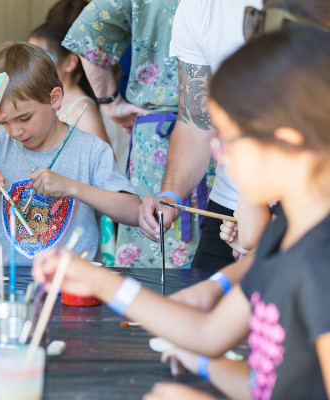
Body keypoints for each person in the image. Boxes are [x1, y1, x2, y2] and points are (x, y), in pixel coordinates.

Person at [33, 25, 330, 399]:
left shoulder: (321, 263)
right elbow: (211, 335)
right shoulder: (282, 237)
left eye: (229, 139)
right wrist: (97, 281)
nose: (218, 154)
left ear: (286, 145)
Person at [0, 42, 140, 267]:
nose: (15, 131)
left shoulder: (91, 150)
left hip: (73, 283)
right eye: (5, 122)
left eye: (24, 118)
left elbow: (134, 212)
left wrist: (72, 188)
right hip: (5, 283)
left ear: (54, 98)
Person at [63, 0, 215, 268]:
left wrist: (109, 101)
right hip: (220, 132)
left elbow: (87, 30)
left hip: (154, 139)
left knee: (153, 257)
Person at [138, 0, 264, 271]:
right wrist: (170, 195)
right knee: (203, 292)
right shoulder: (199, 7)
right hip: (231, 211)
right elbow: (196, 121)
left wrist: (269, 227)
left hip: (310, 208)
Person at [28, 24, 109, 145]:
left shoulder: (82, 110)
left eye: (42, 58)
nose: (32, 66)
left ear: (69, 62)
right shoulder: (42, 101)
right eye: (29, 58)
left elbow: (104, 156)